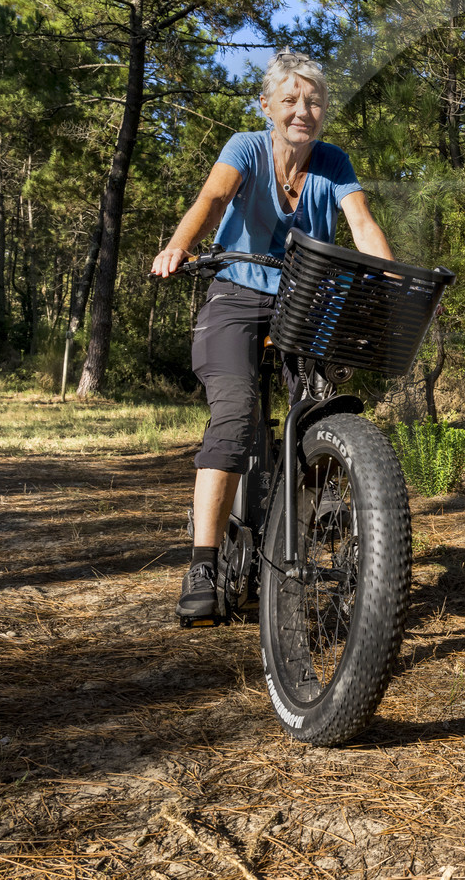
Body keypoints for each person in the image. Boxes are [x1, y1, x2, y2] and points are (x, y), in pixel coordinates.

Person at [152, 49, 393, 621]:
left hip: (303, 297)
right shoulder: (246, 147)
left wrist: (388, 279)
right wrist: (179, 246)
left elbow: (361, 224)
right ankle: (203, 563)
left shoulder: (333, 163)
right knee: (234, 416)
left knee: (319, 405)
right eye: (289, 100)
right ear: (267, 106)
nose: (301, 110)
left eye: (312, 101)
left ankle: (316, 494)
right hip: (235, 292)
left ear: (324, 110)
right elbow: (212, 199)